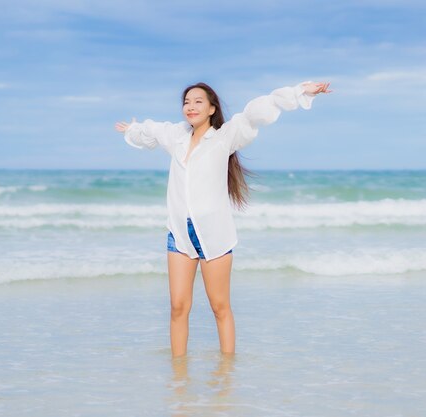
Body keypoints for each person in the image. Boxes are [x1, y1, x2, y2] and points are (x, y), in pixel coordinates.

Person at [115, 80, 331, 357]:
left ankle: (227, 376)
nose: (190, 106)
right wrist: (132, 130)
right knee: (178, 307)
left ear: (211, 108)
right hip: (180, 234)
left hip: (214, 235)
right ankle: (179, 377)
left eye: (198, 102)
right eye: (186, 102)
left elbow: (257, 112)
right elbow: (151, 130)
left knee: (220, 307)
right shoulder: (176, 136)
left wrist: (299, 92)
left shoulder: (225, 136)